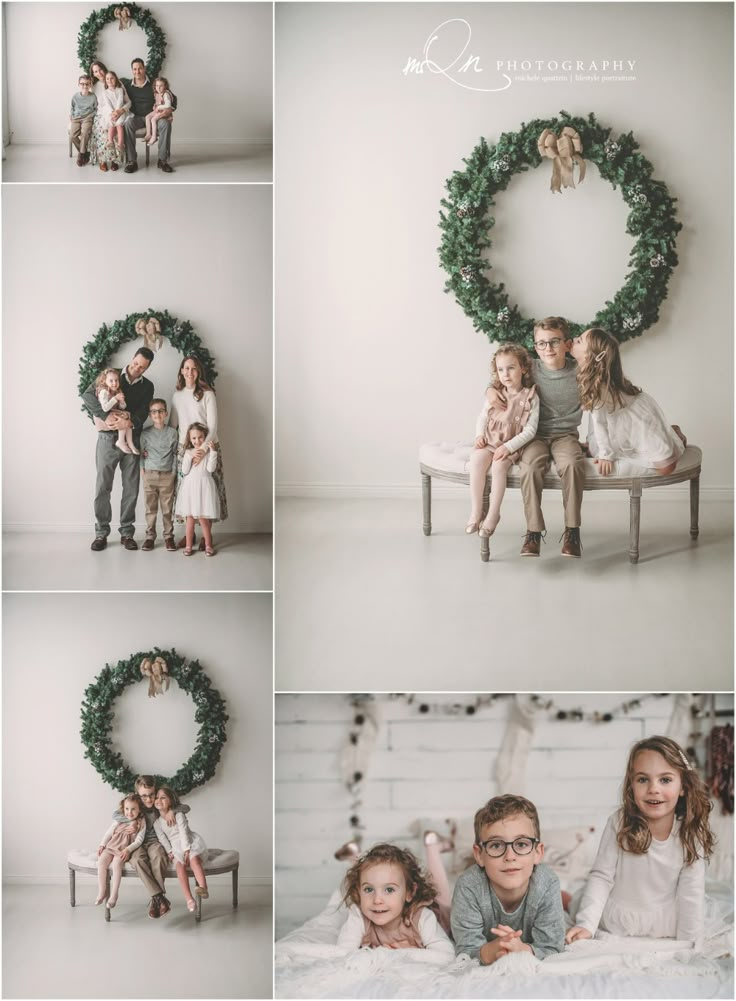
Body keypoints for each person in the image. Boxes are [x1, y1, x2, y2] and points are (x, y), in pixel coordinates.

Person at [566, 736, 714, 949]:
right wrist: (586, 925)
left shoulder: (690, 832)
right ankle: (567, 898)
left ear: (683, 786)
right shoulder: (620, 823)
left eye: (665, 780)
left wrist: (689, 943)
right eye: (643, 779)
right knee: (579, 902)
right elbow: (601, 876)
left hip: (665, 921)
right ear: (631, 786)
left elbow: (691, 889)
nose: (653, 788)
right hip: (618, 918)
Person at [450, 794, 565, 964]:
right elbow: (467, 948)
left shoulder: (547, 883)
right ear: (479, 855)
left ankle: (568, 899)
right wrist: (492, 951)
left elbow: (552, 946)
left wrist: (523, 950)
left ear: (538, 852)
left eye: (521, 844)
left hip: (547, 898)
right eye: (496, 845)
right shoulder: (469, 886)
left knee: (571, 908)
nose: (510, 856)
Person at [570, 328, 686, 476]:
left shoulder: (597, 384)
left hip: (633, 421)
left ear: (589, 356)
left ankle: (673, 435)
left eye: (579, 340)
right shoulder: (589, 377)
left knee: (666, 467)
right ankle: (668, 433)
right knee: (595, 448)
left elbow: (600, 423)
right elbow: (599, 421)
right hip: (617, 423)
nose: (573, 339)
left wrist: (606, 456)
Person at [81, 347, 155, 551]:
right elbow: (87, 395)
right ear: (132, 358)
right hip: (107, 439)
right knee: (103, 486)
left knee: (131, 488)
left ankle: (127, 533)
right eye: (135, 363)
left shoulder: (148, 386)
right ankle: (101, 533)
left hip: (132, 439)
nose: (137, 368)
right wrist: (106, 418)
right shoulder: (110, 375)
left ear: (146, 368)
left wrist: (129, 423)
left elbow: (143, 412)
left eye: (142, 367)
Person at [466, 344, 539, 540]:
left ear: (523, 368)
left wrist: (509, 447)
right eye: (500, 370)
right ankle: (476, 510)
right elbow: (482, 417)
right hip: (490, 441)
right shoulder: (495, 393)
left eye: (511, 368)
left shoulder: (530, 396)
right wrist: (479, 435)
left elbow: (531, 430)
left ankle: (493, 513)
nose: (505, 374)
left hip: (511, 446)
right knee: (477, 460)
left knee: (499, 467)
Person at [337, 843, 454, 953]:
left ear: (409, 892)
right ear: (359, 891)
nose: (377, 900)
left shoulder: (422, 917)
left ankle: (433, 847)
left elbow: (446, 954)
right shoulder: (359, 915)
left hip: (441, 916)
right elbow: (344, 952)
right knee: (367, 873)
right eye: (368, 890)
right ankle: (354, 855)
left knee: (439, 895)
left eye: (389, 890)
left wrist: (404, 953)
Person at [170, 356, 228, 550]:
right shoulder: (177, 396)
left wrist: (203, 451)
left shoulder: (208, 394)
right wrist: (184, 451)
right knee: (186, 493)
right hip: (185, 450)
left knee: (207, 493)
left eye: (194, 369)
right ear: (181, 371)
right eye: (186, 368)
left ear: (199, 372)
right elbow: (174, 424)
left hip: (208, 446)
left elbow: (213, 425)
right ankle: (189, 536)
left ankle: (206, 537)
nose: (189, 372)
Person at [112, 775, 188, 919]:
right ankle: (159, 898)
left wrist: (174, 810)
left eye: (151, 795)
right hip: (136, 843)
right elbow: (115, 814)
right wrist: (131, 821)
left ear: (155, 791)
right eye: (143, 796)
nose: (148, 799)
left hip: (155, 842)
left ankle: (155, 901)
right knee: (137, 860)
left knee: (159, 856)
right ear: (137, 795)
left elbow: (186, 807)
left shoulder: (159, 802)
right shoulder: (134, 803)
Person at [153, 786, 208, 913]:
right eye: (156, 797)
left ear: (171, 801)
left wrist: (187, 849)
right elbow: (163, 839)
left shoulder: (178, 815)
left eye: (163, 798)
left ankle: (203, 888)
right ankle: (189, 899)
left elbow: (183, 832)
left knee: (194, 860)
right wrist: (170, 851)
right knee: (179, 866)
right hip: (175, 846)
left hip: (189, 841)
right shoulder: (157, 823)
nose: (158, 800)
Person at [140, 398, 179, 551]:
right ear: (150, 415)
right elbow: (141, 454)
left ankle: (169, 536)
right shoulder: (145, 433)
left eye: (161, 411)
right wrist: (142, 469)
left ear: (166, 413)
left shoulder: (172, 433)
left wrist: (174, 472)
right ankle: (150, 537)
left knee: (167, 509)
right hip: (149, 474)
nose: (157, 414)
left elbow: (176, 454)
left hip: (167, 474)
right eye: (154, 411)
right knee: (150, 508)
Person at [122, 57, 174, 173]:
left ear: (144, 68)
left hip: (154, 116)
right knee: (128, 123)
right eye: (134, 69)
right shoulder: (127, 85)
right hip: (136, 117)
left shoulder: (154, 84)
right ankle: (132, 161)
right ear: (132, 70)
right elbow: (112, 83)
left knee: (165, 124)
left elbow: (171, 96)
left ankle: (162, 160)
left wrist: (169, 110)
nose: (137, 71)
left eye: (140, 68)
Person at [175, 423, 220, 556]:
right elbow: (184, 470)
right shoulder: (188, 452)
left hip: (204, 487)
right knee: (189, 520)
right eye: (194, 438)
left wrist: (213, 452)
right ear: (190, 439)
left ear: (205, 437)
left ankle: (208, 544)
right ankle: (189, 545)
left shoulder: (206, 453)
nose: (197, 441)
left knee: (203, 519)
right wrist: (189, 456)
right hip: (190, 488)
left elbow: (211, 469)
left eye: (200, 437)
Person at [96, 793, 146, 909]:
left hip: (124, 850)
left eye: (133, 809)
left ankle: (114, 894)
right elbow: (109, 833)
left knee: (116, 864)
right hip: (111, 846)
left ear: (139, 810)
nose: (129, 812)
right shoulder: (119, 820)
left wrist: (128, 850)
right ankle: (102, 891)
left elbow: (139, 841)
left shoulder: (141, 823)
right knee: (102, 861)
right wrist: (102, 844)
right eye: (127, 809)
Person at [87, 60, 126, 173]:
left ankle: (115, 161)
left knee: (116, 129)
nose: (99, 73)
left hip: (117, 113)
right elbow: (91, 104)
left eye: (100, 70)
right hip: (101, 114)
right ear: (93, 74)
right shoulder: (93, 87)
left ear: (104, 69)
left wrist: (120, 111)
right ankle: (103, 160)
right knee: (102, 131)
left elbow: (127, 101)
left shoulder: (116, 82)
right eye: (95, 72)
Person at [95, 368, 139, 455]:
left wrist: (122, 401)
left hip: (113, 412)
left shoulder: (117, 391)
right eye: (111, 381)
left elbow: (122, 407)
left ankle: (130, 443)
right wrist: (115, 398)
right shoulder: (104, 391)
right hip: (105, 416)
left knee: (127, 415)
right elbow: (105, 408)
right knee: (123, 417)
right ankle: (121, 441)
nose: (114, 383)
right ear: (104, 381)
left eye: (116, 380)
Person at [100, 70, 132, 162]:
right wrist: (112, 113)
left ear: (116, 79)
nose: (109, 80)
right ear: (105, 81)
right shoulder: (105, 92)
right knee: (111, 122)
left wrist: (117, 112)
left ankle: (121, 144)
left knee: (119, 123)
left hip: (120, 111)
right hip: (110, 112)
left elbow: (120, 101)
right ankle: (110, 141)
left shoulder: (120, 90)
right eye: (107, 79)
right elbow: (107, 104)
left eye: (112, 78)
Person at [69, 74, 97, 166]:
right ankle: (85, 152)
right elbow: (72, 107)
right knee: (72, 135)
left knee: (85, 133)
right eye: (82, 84)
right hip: (76, 118)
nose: (85, 86)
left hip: (87, 118)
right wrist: (72, 115)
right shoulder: (75, 96)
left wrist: (90, 116)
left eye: (87, 84)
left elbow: (96, 109)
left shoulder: (93, 96)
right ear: (79, 84)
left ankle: (81, 155)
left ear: (90, 85)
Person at [145, 77, 174, 146]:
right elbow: (158, 102)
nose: (159, 88)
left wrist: (159, 107)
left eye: (161, 86)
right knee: (147, 117)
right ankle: (148, 133)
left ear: (165, 86)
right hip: (158, 110)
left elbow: (168, 105)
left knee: (153, 119)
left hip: (164, 111)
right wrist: (155, 106)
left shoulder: (166, 94)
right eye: (157, 85)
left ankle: (154, 137)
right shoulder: (156, 93)